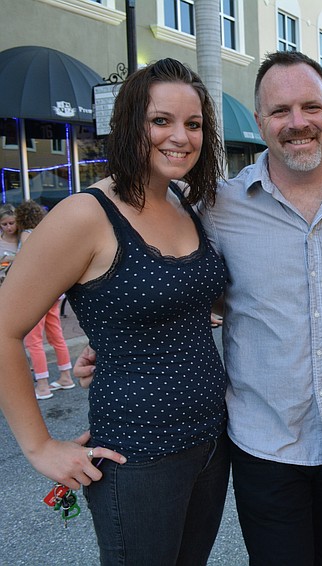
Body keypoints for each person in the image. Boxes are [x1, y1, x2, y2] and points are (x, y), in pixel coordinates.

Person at [0, 58, 229, 563]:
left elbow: (181, 303)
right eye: (161, 120)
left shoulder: (184, 202)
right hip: (136, 456)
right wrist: (39, 447)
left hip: (212, 442)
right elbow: (4, 328)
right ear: (130, 124)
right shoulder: (86, 214)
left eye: (194, 124)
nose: (181, 136)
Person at [202, 51, 322, 564]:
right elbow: (183, 289)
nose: (297, 123)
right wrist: (118, 348)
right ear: (261, 121)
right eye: (279, 111)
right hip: (263, 442)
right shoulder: (221, 208)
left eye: (311, 106)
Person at [15, 201, 75, 399]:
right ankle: (66, 376)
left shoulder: (26, 235)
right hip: (55, 290)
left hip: (37, 291)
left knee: (34, 340)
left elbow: (26, 264)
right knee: (55, 334)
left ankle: (42, 385)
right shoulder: (47, 232)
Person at [0, 204, 19, 283]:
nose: (8, 227)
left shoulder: (23, 238)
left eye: (11, 223)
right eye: (4, 224)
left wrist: (6, 258)